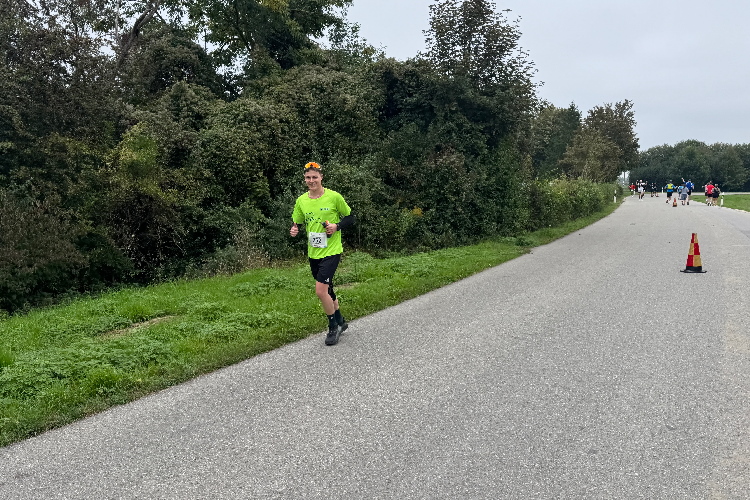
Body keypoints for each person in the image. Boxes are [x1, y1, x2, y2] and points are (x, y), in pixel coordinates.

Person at [290, 162, 356, 346]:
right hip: (314, 252)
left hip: (332, 251)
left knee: (320, 291)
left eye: (314, 177)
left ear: (321, 178)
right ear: (305, 179)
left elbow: (351, 217)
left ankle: (333, 327)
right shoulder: (301, 200)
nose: (311, 181)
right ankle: (341, 321)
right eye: (308, 177)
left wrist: (336, 226)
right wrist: (294, 229)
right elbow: (297, 222)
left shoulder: (334, 197)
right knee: (328, 290)